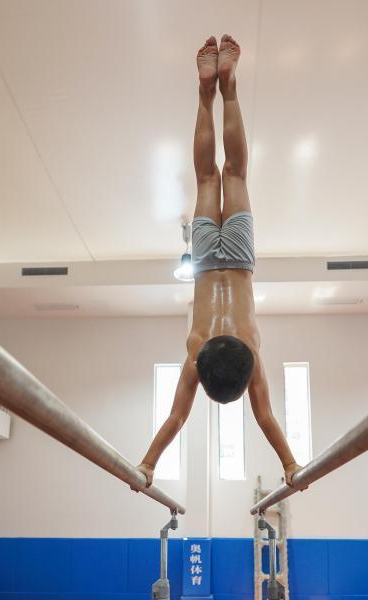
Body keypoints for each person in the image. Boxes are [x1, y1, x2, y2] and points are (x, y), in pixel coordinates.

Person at [136, 35, 302, 488]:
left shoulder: (249, 349)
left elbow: (264, 416)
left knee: (233, 173)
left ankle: (228, 89)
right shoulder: (196, 351)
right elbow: (176, 417)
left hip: (240, 259)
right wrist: (145, 463)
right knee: (209, 176)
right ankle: (207, 93)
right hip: (208, 259)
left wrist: (292, 464)